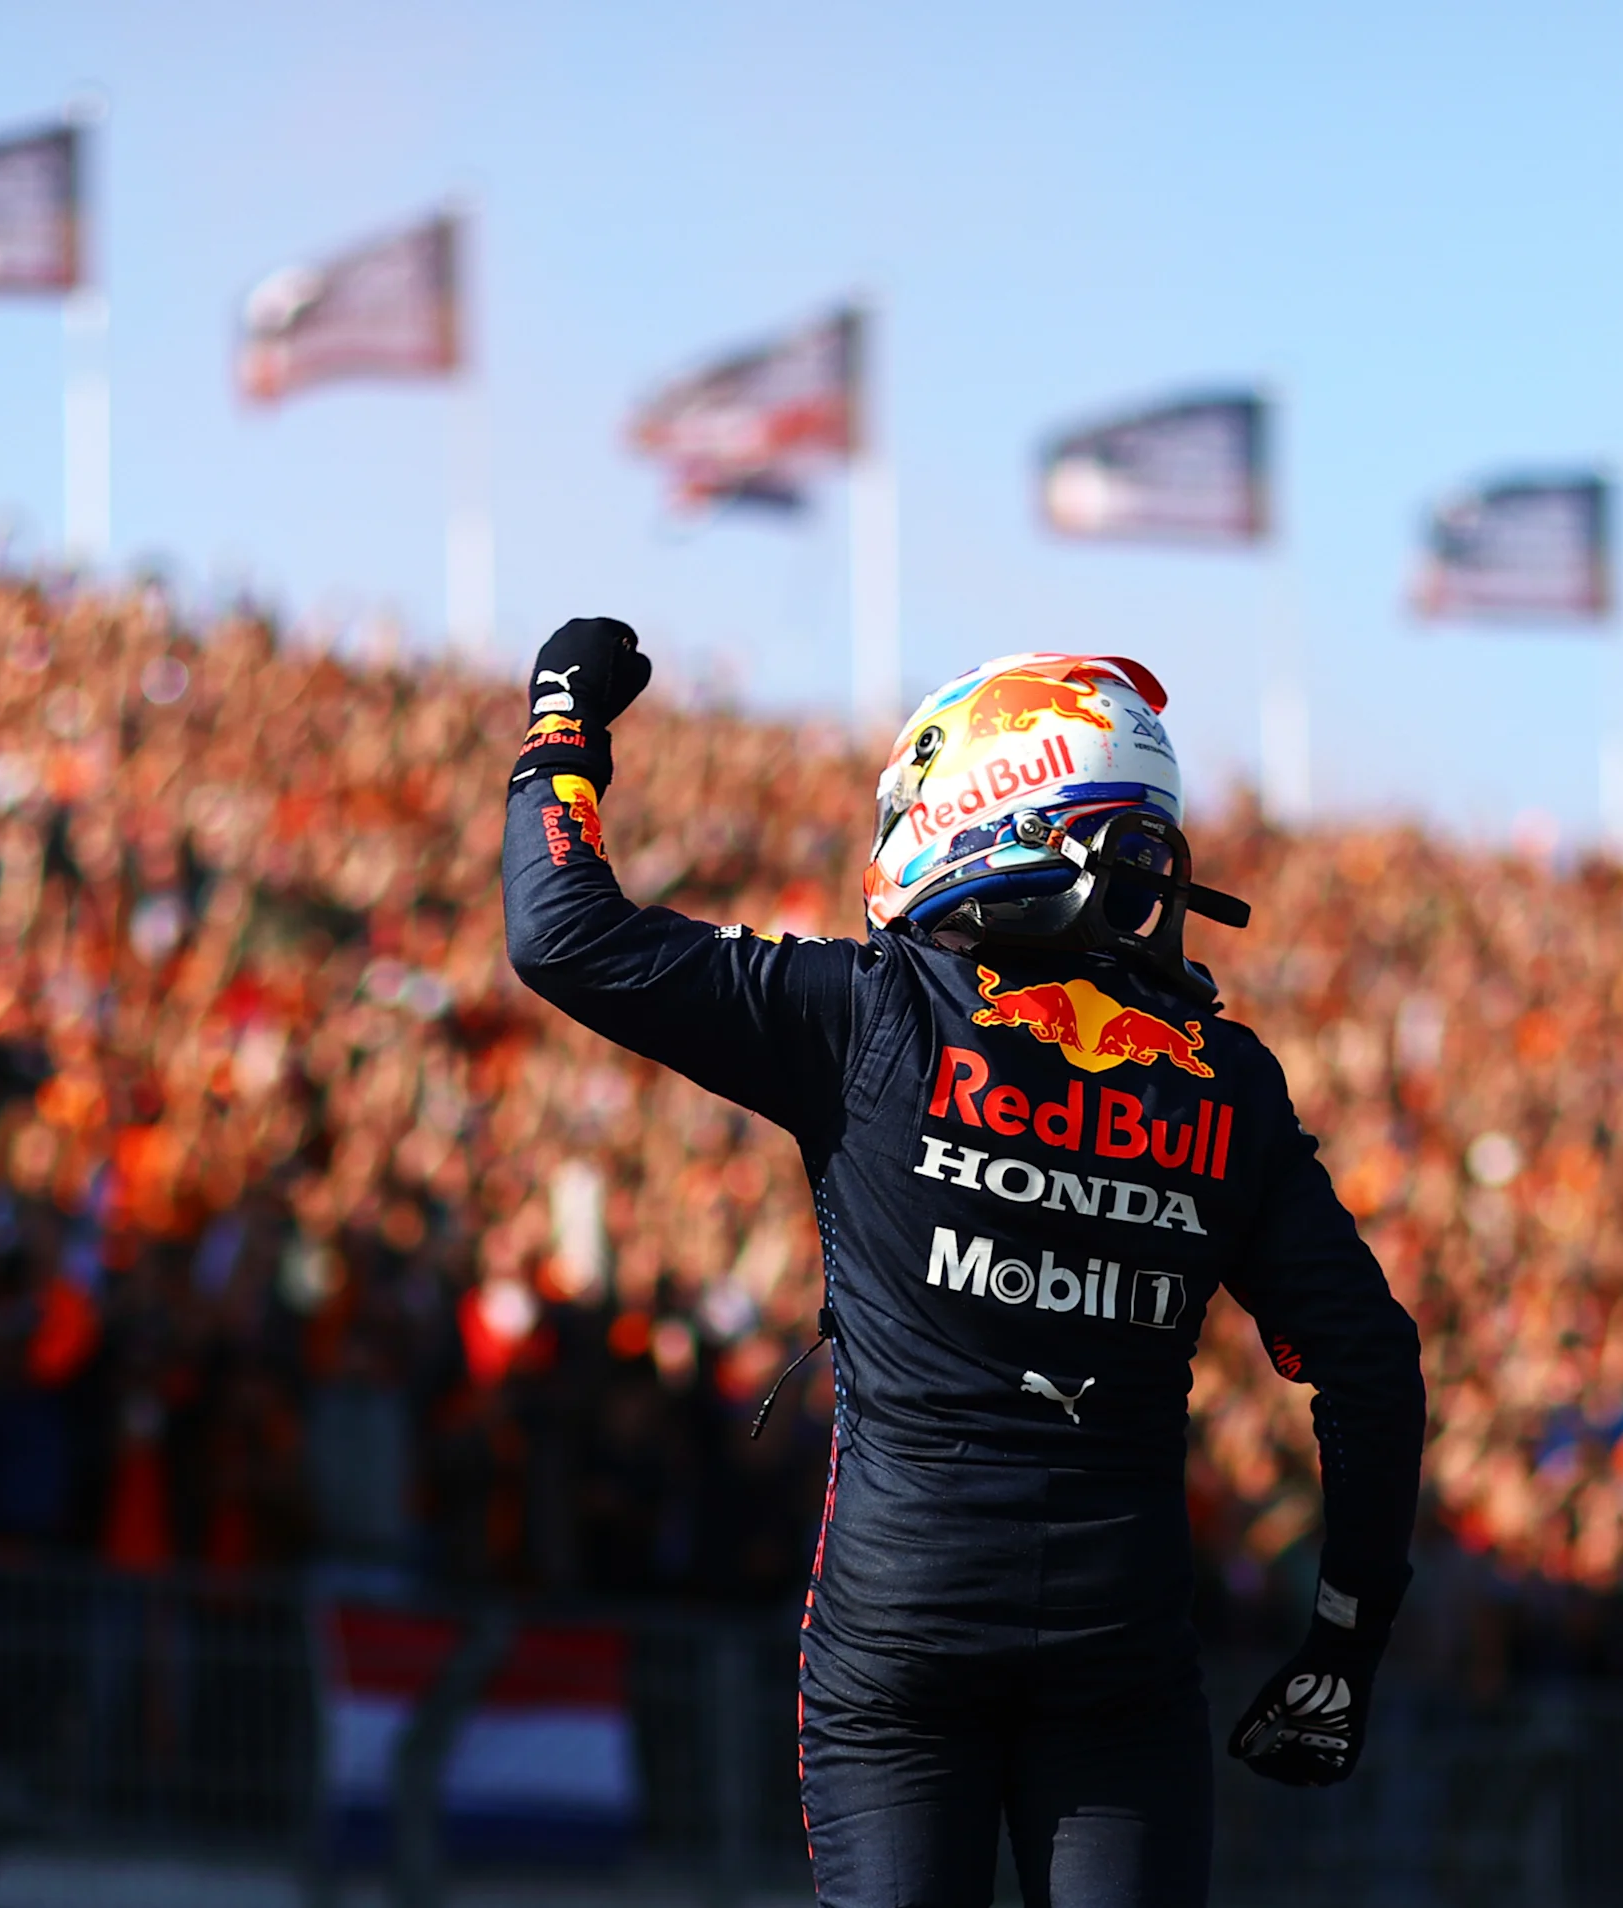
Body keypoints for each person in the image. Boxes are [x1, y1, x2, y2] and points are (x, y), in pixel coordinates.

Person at [503, 618, 1425, 1907]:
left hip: (902, 1636)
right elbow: (1373, 1365)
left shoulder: (869, 1014)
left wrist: (562, 730)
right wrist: (1346, 1633)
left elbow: (563, 933)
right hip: (1122, 1653)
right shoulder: (1231, 1083)